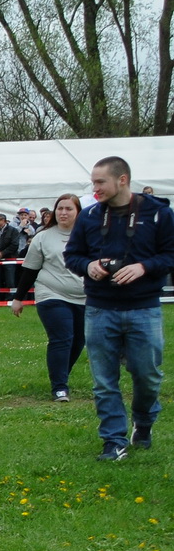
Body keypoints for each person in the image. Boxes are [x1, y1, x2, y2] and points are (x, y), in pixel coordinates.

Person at [64, 156, 174, 460]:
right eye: (93, 181)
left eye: (101, 182)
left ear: (122, 179)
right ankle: (114, 440)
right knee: (104, 380)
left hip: (144, 308)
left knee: (147, 375)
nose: (94, 188)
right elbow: (72, 256)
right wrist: (89, 266)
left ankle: (144, 419)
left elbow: (170, 255)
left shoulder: (158, 213)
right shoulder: (89, 217)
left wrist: (144, 267)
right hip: (100, 308)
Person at [13, 193, 87, 401]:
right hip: (51, 293)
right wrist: (18, 298)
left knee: (78, 341)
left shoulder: (89, 236)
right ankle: (60, 387)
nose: (63, 212)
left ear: (78, 212)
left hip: (83, 297)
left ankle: (60, 373)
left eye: (69, 209)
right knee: (62, 338)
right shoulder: (43, 237)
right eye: (60, 208)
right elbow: (30, 270)